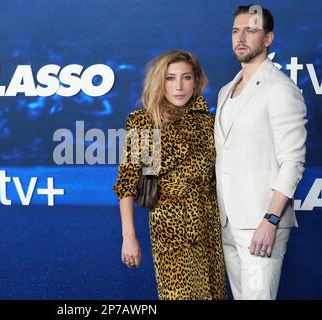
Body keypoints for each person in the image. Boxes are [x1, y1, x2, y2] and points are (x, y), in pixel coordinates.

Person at [113, 50, 227, 300]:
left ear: (196, 81)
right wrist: (129, 237)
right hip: (171, 224)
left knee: (213, 294)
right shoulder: (144, 121)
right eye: (170, 78)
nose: (178, 86)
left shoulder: (209, 122)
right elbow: (127, 182)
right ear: (159, 82)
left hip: (210, 223)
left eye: (186, 78)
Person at [215, 4, 307, 300]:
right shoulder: (226, 90)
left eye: (251, 30)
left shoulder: (280, 88)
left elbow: (293, 161)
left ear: (268, 39)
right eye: (235, 30)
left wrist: (270, 220)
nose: (240, 37)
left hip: (261, 222)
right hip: (228, 220)